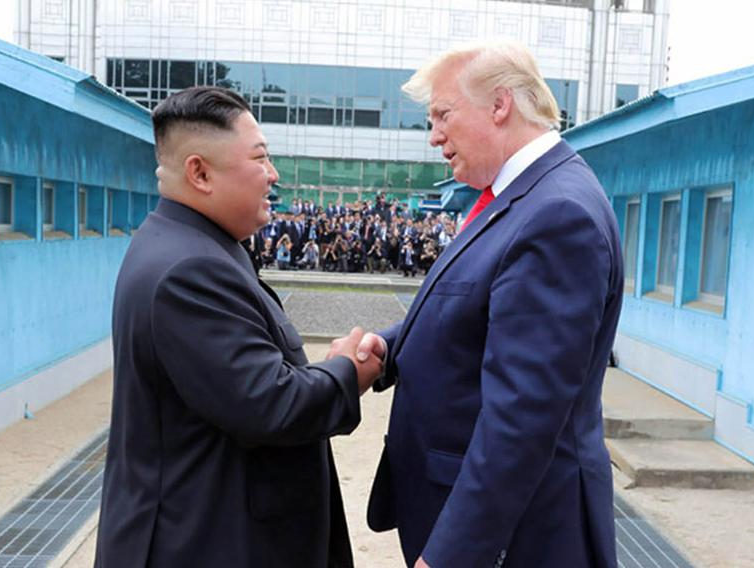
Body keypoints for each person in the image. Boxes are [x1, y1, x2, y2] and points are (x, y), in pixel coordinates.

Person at [346, 41, 623, 568]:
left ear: (499, 105)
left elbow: (521, 419)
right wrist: (386, 345)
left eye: (443, 114)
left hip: (520, 538)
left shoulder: (557, 213)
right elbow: (469, 307)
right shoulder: (519, 197)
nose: (433, 137)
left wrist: (450, 556)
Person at [94, 86, 383, 568]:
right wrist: (345, 373)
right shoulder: (188, 270)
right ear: (200, 172)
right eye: (260, 158)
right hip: (205, 543)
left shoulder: (188, 245)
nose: (273, 176)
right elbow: (271, 405)